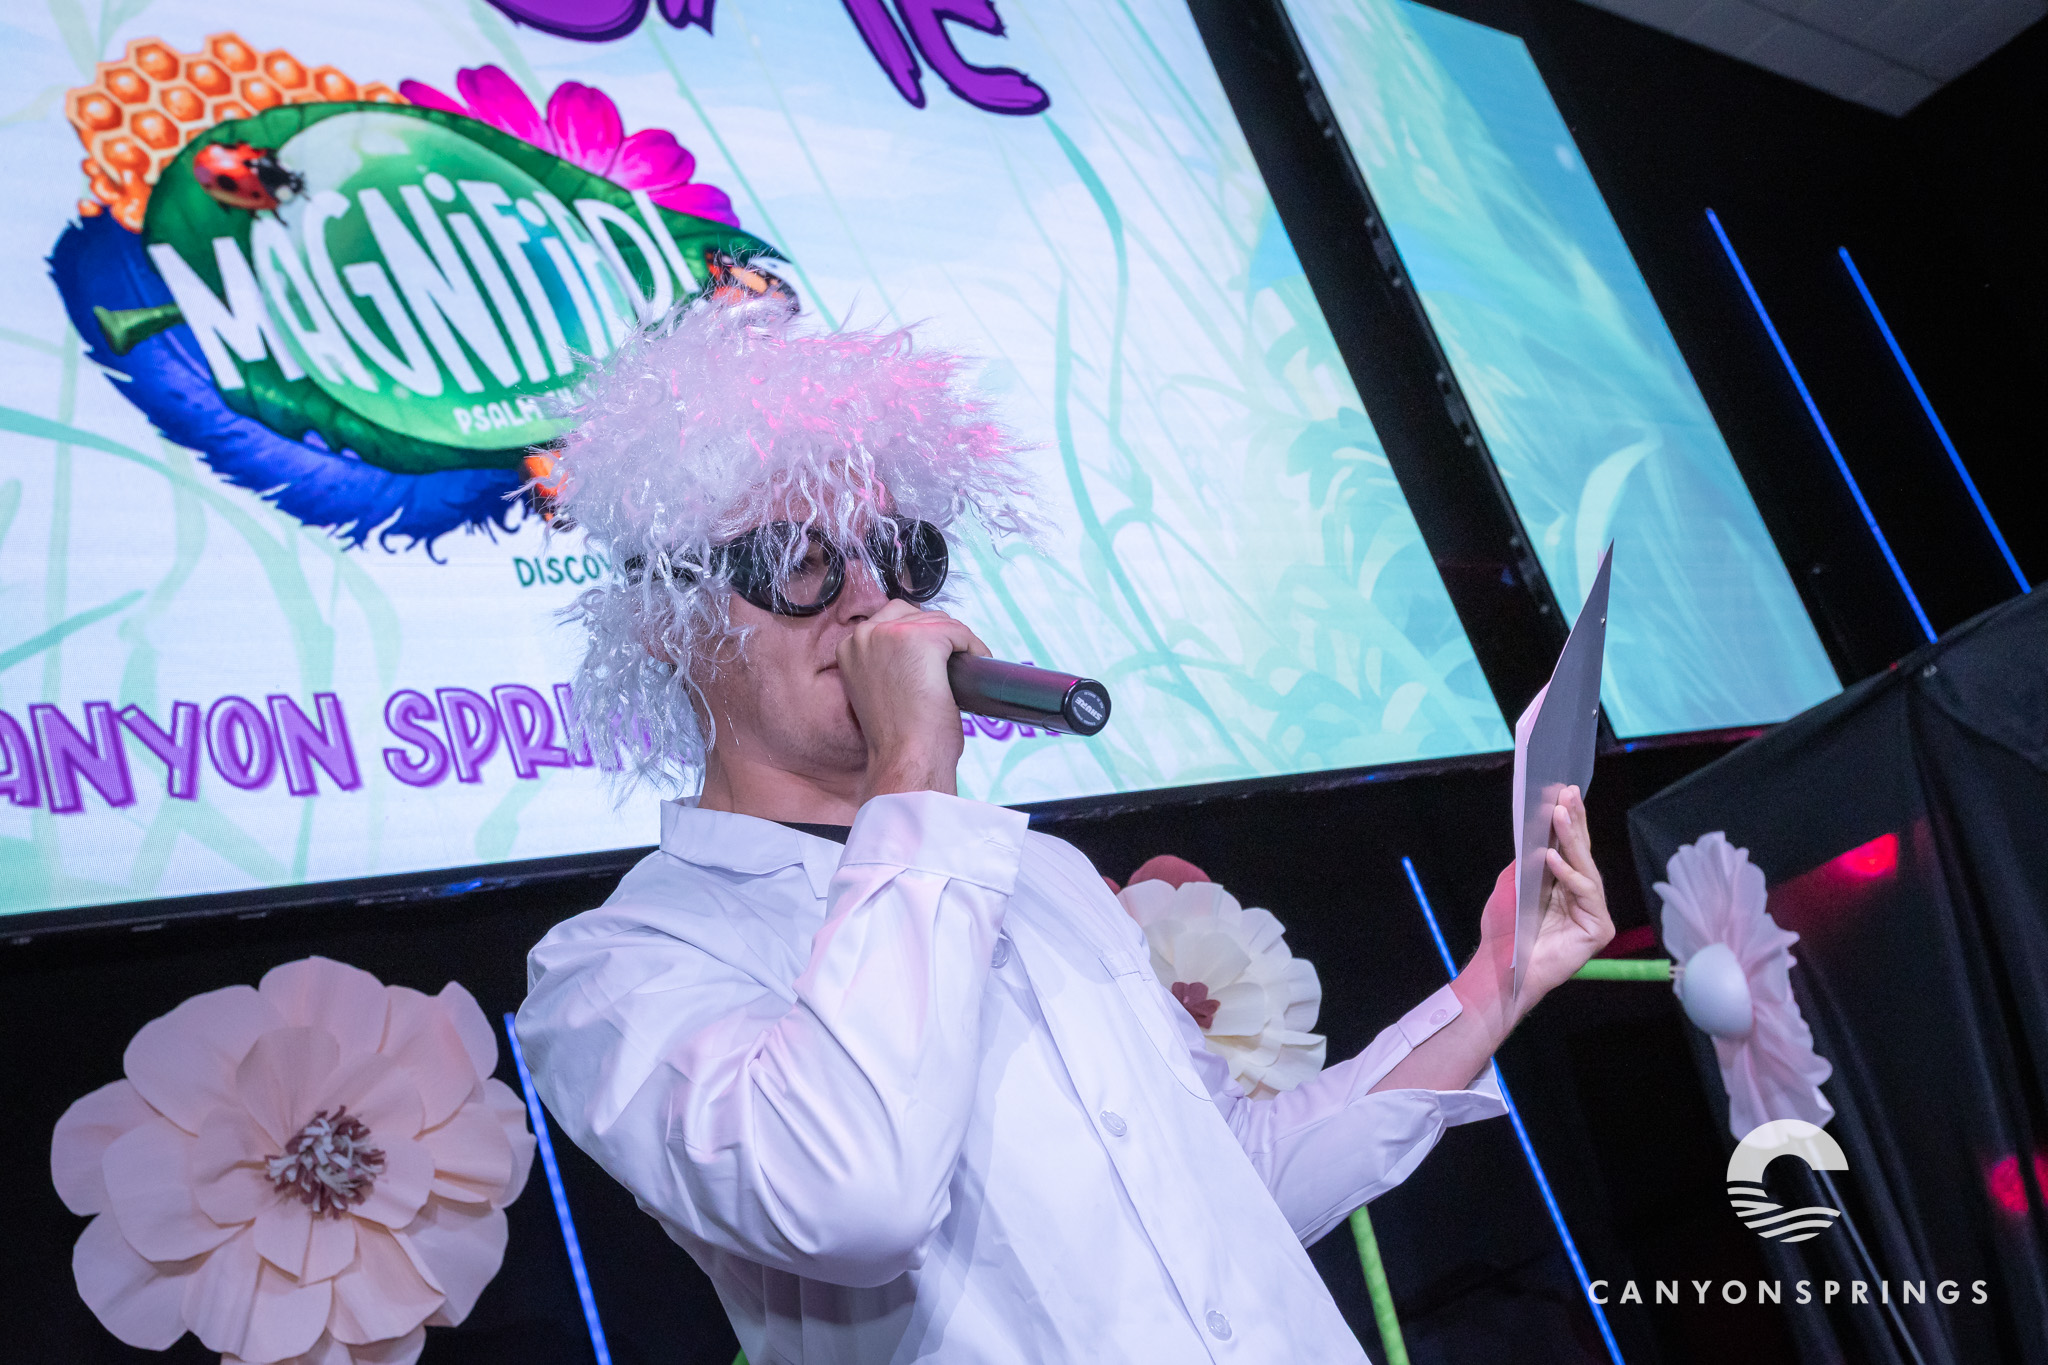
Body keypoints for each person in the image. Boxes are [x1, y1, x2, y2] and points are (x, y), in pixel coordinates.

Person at [516, 294, 1615, 1363]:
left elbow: (1234, 1184)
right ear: (663, 618)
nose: (870, 600)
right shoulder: (617, 969)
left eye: (899, 553)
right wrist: (914, 772)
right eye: (798, 559)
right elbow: (853, 1196)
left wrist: (1496, 978)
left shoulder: (1039, 874)